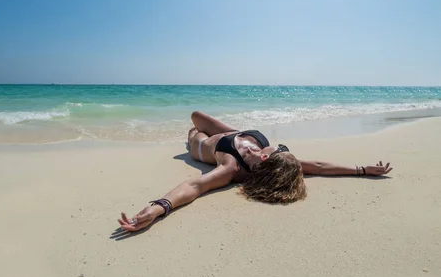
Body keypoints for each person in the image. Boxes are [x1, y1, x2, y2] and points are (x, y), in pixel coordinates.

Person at [118, 110, 392, 232]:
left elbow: (195, 186)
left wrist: (159, 207)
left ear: (264, 158)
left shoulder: (231, 168)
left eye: (278, 149)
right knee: (199, 114)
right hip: (233, 134)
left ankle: (191, 138)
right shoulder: (277, 160)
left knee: (195, 122)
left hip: (199, 144)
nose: (279, 147)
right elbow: (319, 167)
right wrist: (362, 169)